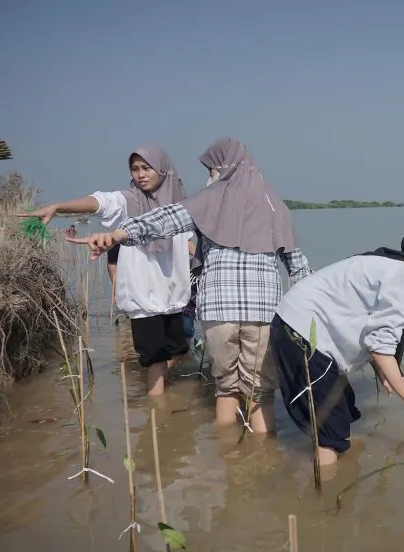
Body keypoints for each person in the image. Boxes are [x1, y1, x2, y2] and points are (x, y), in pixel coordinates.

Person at [67, 137, 312, 434]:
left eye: (211, 169)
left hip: (218, 311)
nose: (209, 176)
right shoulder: (276, 207)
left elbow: (163, 219)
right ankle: (261, 459)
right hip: (264, 313)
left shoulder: (209, 199)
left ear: (223, 167)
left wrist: (119, 234)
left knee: (226, 389)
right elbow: (298, 267)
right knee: (261, 392)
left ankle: (230, 460)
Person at [269, 224, 404, 465]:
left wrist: (381, 372)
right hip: (303, 333)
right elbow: (380, 347)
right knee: (331, 432)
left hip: (293, 323)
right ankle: (326, 496)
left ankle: (276, 457)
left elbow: (369, 323)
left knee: (342, 408)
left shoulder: (390, 264)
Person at [20, 145, 192, 395]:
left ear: (163, 169)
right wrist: (57, 207)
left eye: (146, 168)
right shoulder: (128, 200)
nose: (140, 174)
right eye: (135, 169)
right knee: (155, 358)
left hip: (173, 293)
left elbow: (188, 240)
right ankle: (157, 417)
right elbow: (98, 202)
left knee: (180, 348)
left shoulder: (180, 203)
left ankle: (159, 397)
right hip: (144, 295)